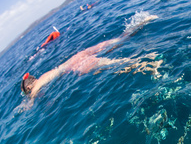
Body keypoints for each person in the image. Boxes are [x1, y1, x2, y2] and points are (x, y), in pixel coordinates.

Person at [21, 14, 161, 100]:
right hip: (79, 55)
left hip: (76, 65)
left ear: (29, 87)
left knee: (118, 63)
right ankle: (142, 21)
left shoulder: (37, 84)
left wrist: (29, 102)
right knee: (119, 40)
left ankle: (149, 62)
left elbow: (34, 94)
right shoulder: (43, 75)